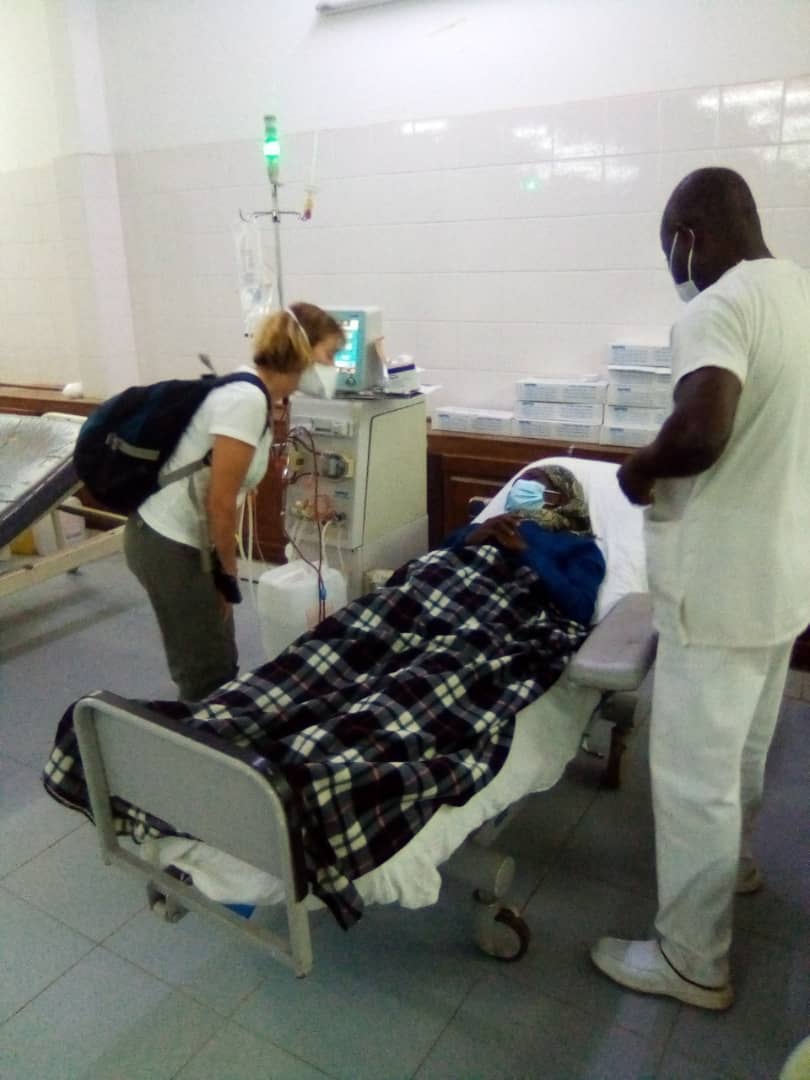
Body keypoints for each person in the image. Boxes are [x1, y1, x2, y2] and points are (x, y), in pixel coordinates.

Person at [46, 465, 605, 927]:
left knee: (411, 697)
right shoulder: (482, 527)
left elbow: (577, 605)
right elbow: (418, 572)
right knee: (307, 674)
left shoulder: (579, 547)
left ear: (566, 502)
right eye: (524, 487)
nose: (526, 496)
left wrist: (527, 556)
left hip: (495, 617)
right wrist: (475, 537)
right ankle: (213, 735)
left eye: (542, 489)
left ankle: (305, 784)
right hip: (422, 599)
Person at [590, 167, 810, 1010]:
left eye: (670, 250)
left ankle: (691, 958)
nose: (674, 266)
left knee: (691, 776)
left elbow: (705, 426)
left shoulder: (717, 307)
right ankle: (737, 868)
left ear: (690, 237)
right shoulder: (799, 293)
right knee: (745, 750)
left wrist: (639, 471)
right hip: (783, 577)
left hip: (720, 588)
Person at [124, 302, 345, 701]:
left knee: (219, 656)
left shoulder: (254, 394)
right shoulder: (246, 399)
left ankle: (215, 732)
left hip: (188, 539)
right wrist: (227, 576)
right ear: (302, 351)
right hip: (167, 541)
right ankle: (201, 748)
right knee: (205, 669)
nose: (333, 367)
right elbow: (221, 503)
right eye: (329, 355)